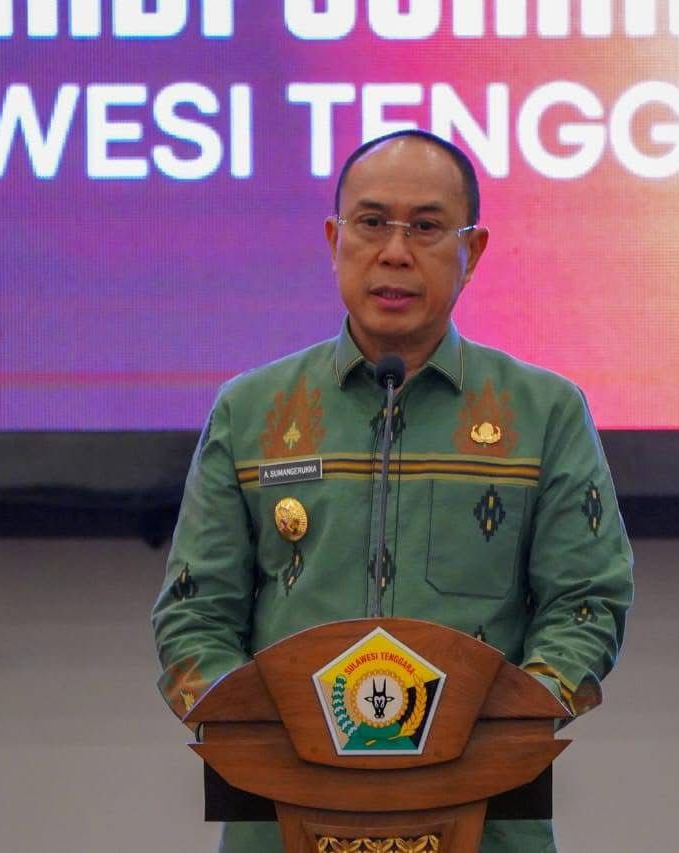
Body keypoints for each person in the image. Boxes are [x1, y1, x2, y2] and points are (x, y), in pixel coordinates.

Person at [151, 129, 634, 852]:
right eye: (372, 222)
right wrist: (274, 738)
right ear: (334, 239)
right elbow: (193, 614)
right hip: (285, 813)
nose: (395, 252)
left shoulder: (544, 412)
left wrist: (497, 728)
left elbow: (588, 601)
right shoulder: (250, 411)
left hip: (484, 814)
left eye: (427, 227)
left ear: (473, 252)